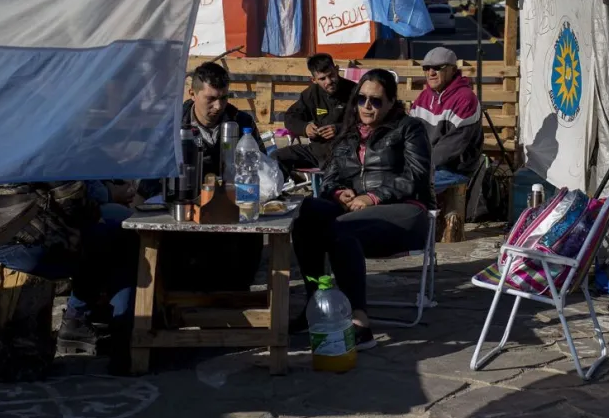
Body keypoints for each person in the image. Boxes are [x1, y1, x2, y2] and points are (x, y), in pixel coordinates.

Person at [290, 69, 434, 350]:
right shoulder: (348, 133)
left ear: (392, 102)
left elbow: (416, 178)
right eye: (362, 99)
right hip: (354, 210)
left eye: (376, 101)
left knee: (342, 230)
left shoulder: (409, 128)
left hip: (404, 210)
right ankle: (315, 306)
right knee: (306, 212)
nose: (367, 107)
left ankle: (360, 323)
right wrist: (337, 192)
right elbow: (330, 174)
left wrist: (373, 197)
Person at [0, 180, 138, 371]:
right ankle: (123, 340)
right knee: (124, 228)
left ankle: (78, 320)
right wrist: (106, 199)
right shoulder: (52, 152)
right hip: (27, 243)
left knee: (99, 232)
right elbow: (73, 201)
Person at [138, 61, 264, 292]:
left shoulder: (241, 122)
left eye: (224, 98)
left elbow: (263, 168)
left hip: (231, 208)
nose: (218, 106)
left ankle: (235, 295)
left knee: (250, 237)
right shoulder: (171, 124)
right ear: (192, 94)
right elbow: (149, 173)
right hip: (183, 211)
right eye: (211, 99)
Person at [409, 47, 483, 193]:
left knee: (408, 187)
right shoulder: (424, 97)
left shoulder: (465, 100)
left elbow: (449, 149)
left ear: (453, 70)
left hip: (454, 170)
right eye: (426, 68)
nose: (431, 73)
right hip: (426, 165)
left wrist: (416, 166)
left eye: (437, 67)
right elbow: (409, 133)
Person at [275, 53, 356, 175]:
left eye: (331, 75)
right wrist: (305, 128)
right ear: (314, 80)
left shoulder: (354, 91)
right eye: (322, 79)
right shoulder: (310, 94)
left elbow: (366, 122)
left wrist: (339, 129)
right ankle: (276, 192)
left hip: (346, 152)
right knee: (276, 157)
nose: (329, 81)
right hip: (317, 151)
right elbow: (290, 117)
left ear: (337, 69)